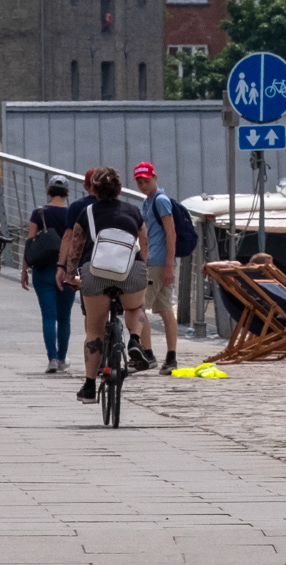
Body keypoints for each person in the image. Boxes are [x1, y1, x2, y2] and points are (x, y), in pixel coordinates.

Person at [56, 167, 147, 405]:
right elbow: (144, 240)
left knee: (94, 330)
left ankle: (88, 385)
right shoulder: (134, 211)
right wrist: (143, 267)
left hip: (95, 273)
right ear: (119, 189)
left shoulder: (86, 212)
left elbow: (76, 246)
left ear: (94, 190)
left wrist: (70, 275)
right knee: (135, 307)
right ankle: (135, 340)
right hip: (130, 271)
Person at [21, 177, 77, 374]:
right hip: (67, 271)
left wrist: (24, 270)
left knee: (48, 316)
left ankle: (51, 359)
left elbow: (30, 242)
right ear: (66, 192)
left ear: (49, 191)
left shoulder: (39, 213)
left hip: (43, 270)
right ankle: (62, 358)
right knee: (64, 318)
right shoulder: (73, 213)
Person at [132, 161, 179, 375]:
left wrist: (169, 265)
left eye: (146, 180)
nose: (143, 185)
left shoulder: (160, 201)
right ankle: (171, 357)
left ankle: (148, 353)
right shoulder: (148, 201)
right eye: (140, 182)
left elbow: (171, 232)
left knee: (138, 308)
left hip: (158, 263)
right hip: (158, 262)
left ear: (155, 177)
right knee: (164, 309)